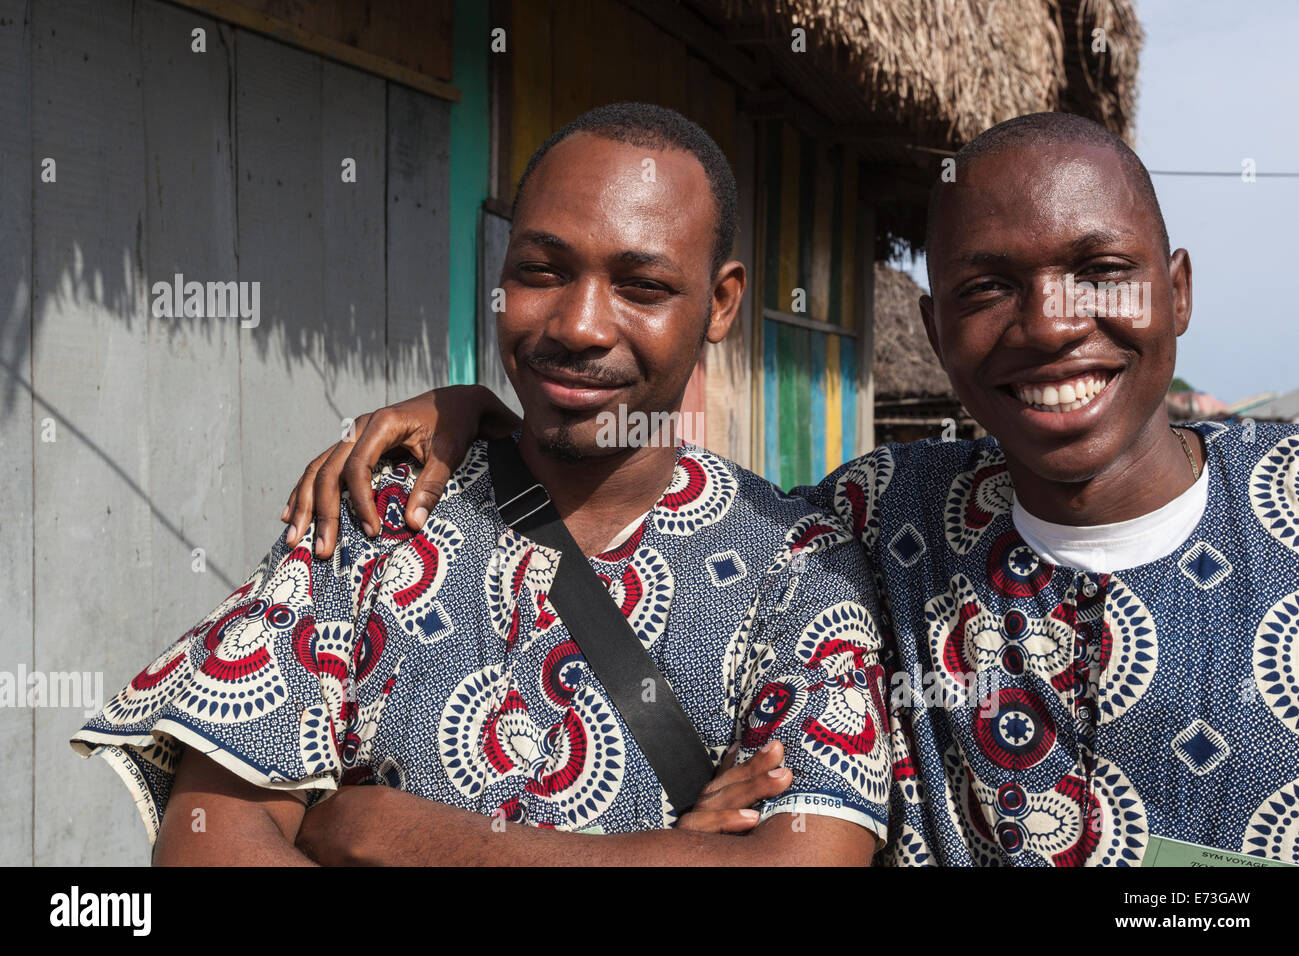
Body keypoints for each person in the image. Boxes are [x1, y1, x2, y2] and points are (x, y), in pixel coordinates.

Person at [298, 112, 1299, 866]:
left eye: (1099, 271)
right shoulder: (884, 514)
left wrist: (391, 833)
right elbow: (628, 470)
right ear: (936, 327)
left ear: (1175, 289)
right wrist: (483, 417)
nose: (1047, 323)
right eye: (986, 287)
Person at [71, 103, 889, 866]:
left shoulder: (799, 567)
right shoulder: (378, 513)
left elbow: (805, 859)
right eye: (542, 270)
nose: (579, 326)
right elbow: (209, 835)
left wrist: (378, 831)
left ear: (719, 302)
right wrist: (661, 853)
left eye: (642, 287)